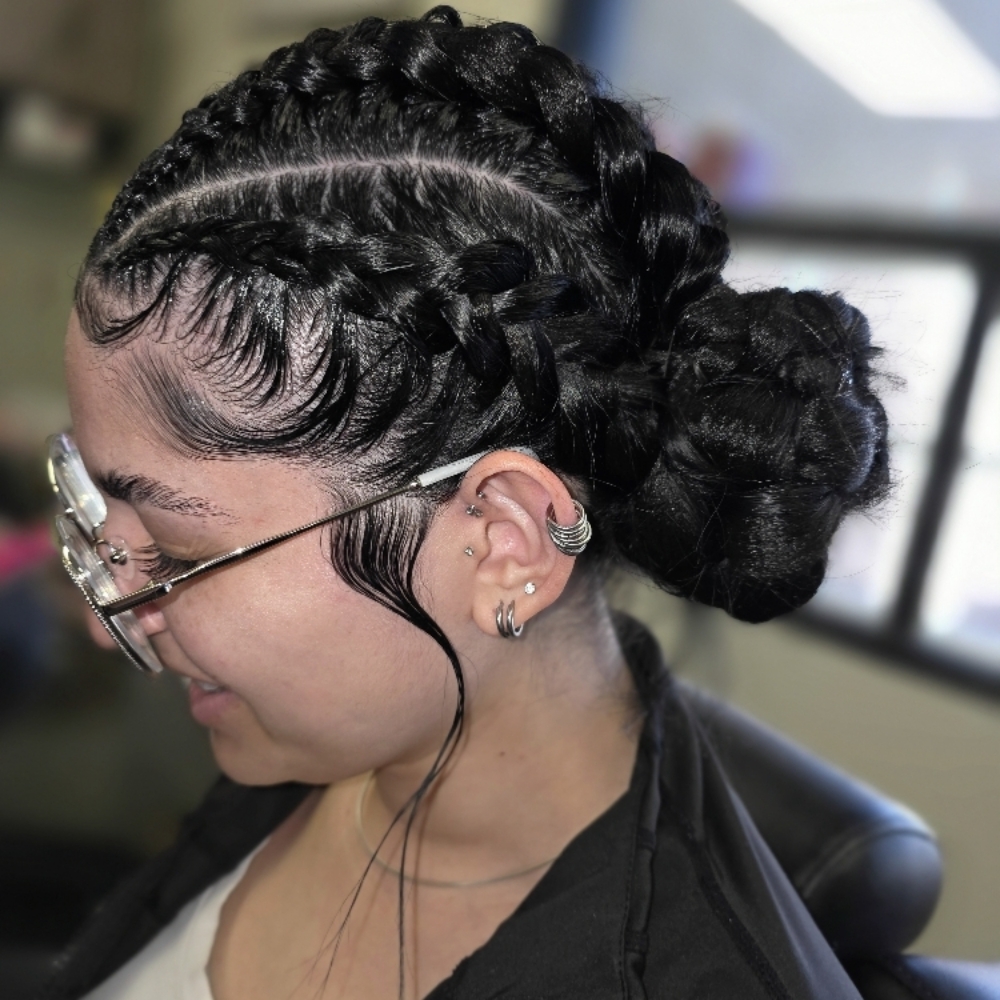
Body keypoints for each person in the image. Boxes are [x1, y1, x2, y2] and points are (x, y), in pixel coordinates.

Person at [42, 8, 889, 999]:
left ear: (501, 542)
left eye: (179, 550)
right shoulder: (335, 725)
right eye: (101, 503)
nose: (115, 620)